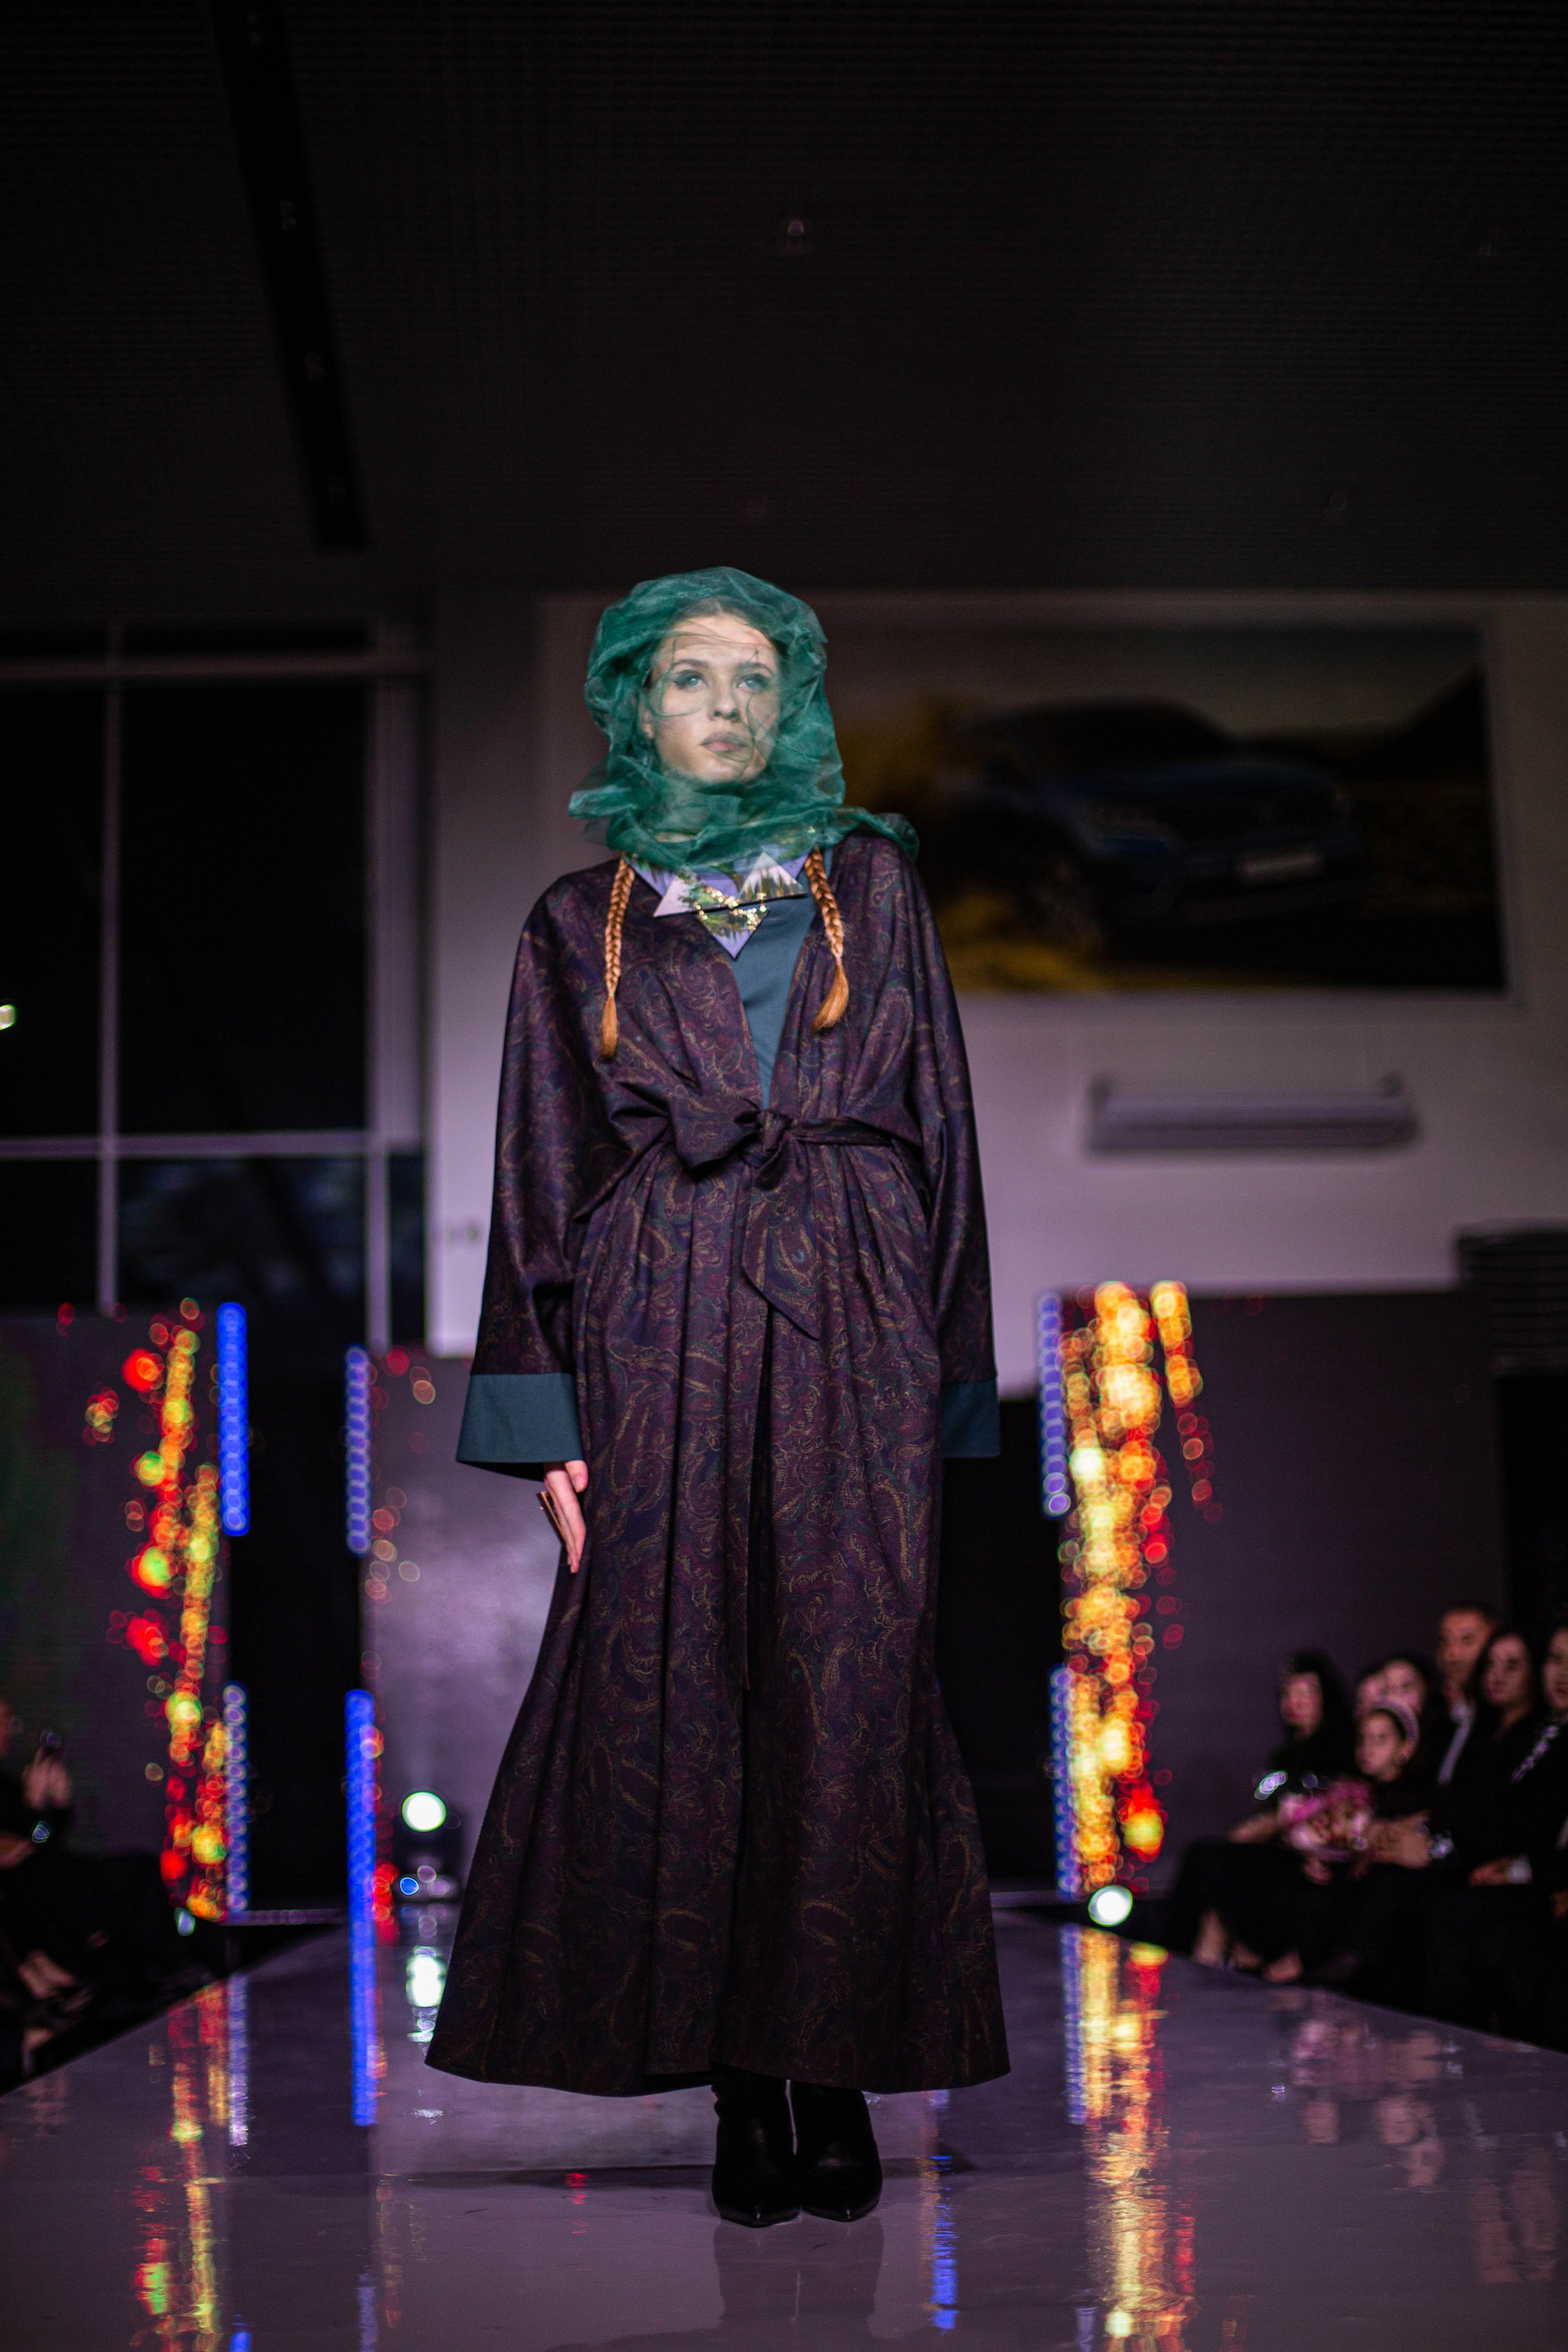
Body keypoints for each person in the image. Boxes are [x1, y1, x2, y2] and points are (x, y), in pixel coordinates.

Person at [426, 569, 1008, 2228]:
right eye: (692, 677)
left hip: (857, 1319)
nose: (728, 707)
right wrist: (544, 1426)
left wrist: (946, 1393)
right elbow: (540, 1168)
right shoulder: (578, 922)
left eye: (758, 679)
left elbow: (945, 1135)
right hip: (656, 1321)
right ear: (636, 705)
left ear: (793, 706)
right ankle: (741, 2082)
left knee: (852, 1694)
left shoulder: (871, 888)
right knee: (683, 1695)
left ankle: (837, 2072)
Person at [1164, 1650, 1355, 1967]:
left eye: (1306, 1692)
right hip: (1276, 1849)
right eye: (1288, 1693)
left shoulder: (1342, 1751)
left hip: (1310, 1854)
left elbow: (1333, 1810)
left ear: (1327, 1696)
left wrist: (1276, 1825)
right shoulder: (1284, 1757)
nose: (1295, 1702)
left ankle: (1208, 1957)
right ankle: (1201, 1956)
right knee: (1207, 1863)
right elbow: (1265, 1809)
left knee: (1212, 1863)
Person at [1432, 1601, 1500, 1786]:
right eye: (1444, 1642)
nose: (1452, 1653)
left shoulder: (1503, 1720)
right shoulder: (1441, 1717)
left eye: (1467, 1640)